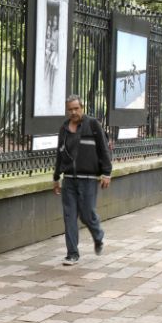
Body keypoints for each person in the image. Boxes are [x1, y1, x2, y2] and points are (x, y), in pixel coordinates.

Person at [53, 95, 112, 265]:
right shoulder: (64, 129)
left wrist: (106, 173)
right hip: (69, 180)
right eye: (70, 109)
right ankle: (72, 254)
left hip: (88, 179)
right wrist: (56, 177)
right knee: (69, 216)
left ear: (82, 107)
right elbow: (60, 154)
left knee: (87, 214)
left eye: (76, 108)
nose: (73, 112)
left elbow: (103, 149)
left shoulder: (93, 125)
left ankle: (98, 236)